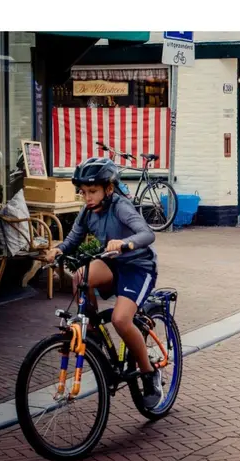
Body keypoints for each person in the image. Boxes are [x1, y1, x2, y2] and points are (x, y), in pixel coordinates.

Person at [44, 157, 163, 409]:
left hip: (137, 268)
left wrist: (126, 243)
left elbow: (147, 233)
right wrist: (58, 250)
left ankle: (148, 372)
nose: (87, 197)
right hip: (112, 263)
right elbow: (73, 239)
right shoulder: (88, 211)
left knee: (121, 320)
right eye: (84, 192)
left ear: (109, 189)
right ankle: (95, 333)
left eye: (93, 191)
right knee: (80, 277)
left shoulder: (120, 207)